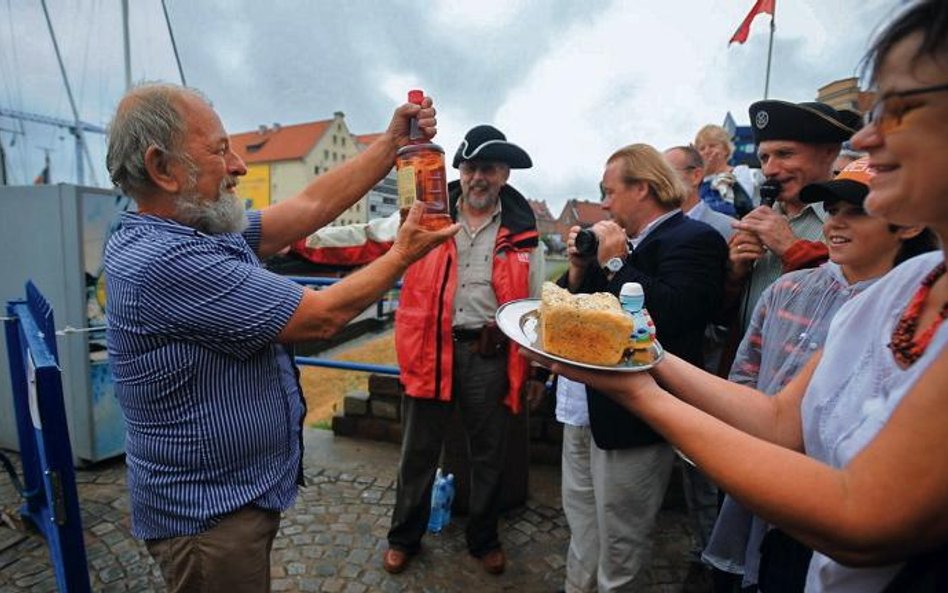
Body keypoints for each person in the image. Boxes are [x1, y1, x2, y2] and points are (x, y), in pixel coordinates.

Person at [528, 2, 948, 590]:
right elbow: (781, 419)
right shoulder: (903, 288)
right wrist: (640, 357)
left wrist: (637, 385)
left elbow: (864, 518)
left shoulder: (704, 238)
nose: (869, 135)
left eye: (899, 109)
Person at [103, 82, 458, 592]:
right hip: (209, 517)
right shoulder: (164, 259)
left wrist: (390, 145)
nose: (239, 166)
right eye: (220, 150)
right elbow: (320, 316)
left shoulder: (195, 226)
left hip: (233, 499)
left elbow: (309, 205)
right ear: (163, 168)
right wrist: (403, 254)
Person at [702, 157, 934, 590]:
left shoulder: (908, 312)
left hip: (828, 503)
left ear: (908, 225)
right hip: (757, 477)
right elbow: (745, 373)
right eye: (832, 212)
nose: (835, 225)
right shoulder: (787, 288)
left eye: (857, 211)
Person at [557, 143, 727, 591]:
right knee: (583, 533)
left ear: (643, 189)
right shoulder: (621, 245)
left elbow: (674, 315)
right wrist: (578, 268)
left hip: (634, 422)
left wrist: (615, 263)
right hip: (584, 409)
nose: (605, 204)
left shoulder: (696, 240)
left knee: (621, 546)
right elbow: (571, 311)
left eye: (609, 192)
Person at [383, 125, 546, 576]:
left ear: (504, 174)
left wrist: (535, 373)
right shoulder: (425, 214)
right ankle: (404, 537)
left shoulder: (525, 231)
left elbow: (534, 306)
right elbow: (375, 238)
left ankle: (483, 538)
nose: (478, 178)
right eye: (471, 167)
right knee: (418, 450)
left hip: (488, 354)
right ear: (459, 169)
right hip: (429, 349)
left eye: (489, 169)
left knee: (489, 453)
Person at [727, 100, 862, 337]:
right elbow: (724, 317)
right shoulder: (755, 220)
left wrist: (792, 249)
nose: (769, 169)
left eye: (784, 154)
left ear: (830, 152)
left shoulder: (860, 218)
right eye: (764, 157)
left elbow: (857, 300)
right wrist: (733, 275)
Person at [693, 124, 761, 218]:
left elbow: (740, 204)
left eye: (712, 146)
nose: (707, 151)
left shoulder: (739, 171)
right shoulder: (697, 180)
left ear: (726, 149)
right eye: (702, 148)